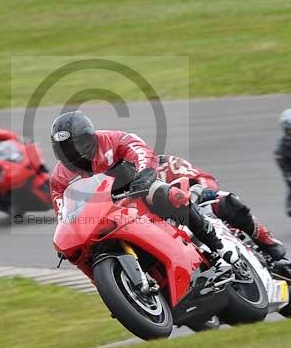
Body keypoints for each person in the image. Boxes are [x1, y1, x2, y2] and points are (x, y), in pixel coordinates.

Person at [49, 111, 232, 264]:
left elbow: (141, 151)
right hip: (101, 216)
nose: (71, 153)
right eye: (64, 149)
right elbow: (63, 213)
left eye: (74, 146)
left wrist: (145, 176)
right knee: (79, 253)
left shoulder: (114, 139)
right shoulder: (59, 178)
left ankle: (219, 247)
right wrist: (68, 235)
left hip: (136, 193)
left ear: (89, 138)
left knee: (167, 194)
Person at [157, 154, 286, 260]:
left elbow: (203, 179)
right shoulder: (136, 193)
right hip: (170, 230)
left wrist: (198, 193)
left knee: (225, 202)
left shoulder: (166, 164)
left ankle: (267, 241)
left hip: (195, 208)